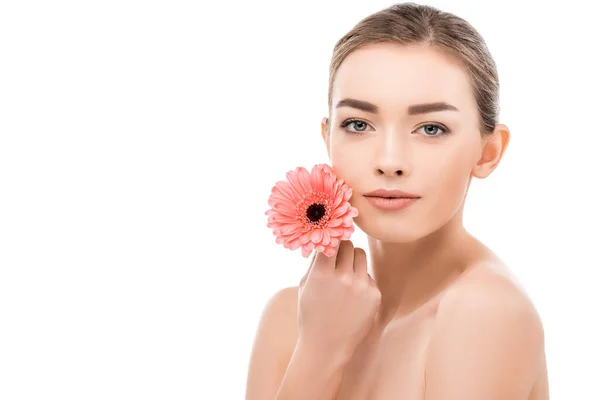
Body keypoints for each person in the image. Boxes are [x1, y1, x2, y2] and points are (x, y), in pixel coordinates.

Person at [246, 3, 548, 399]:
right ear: (328, 138)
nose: (390, 162)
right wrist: (319, 348)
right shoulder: (291, 317)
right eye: (358, 124)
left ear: (488, 152)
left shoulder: (483, 311)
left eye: (431, 128)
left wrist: (321, 355)